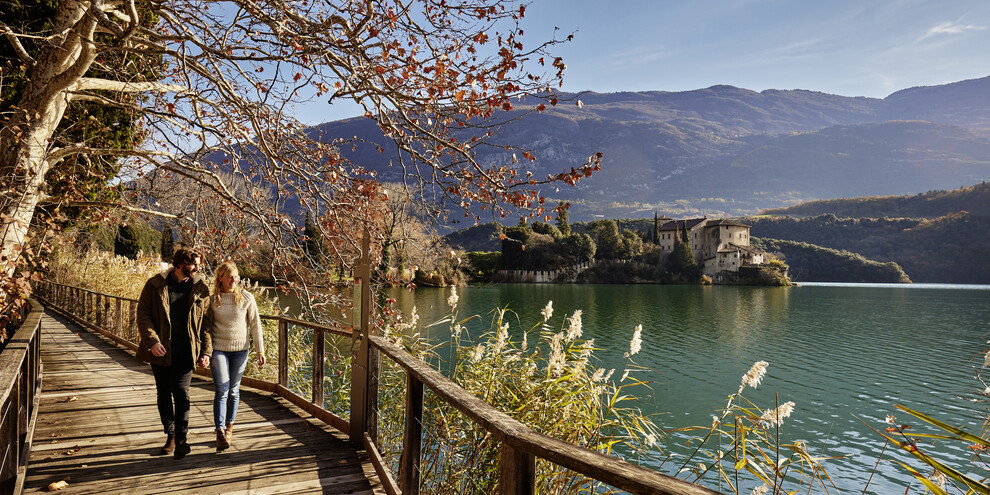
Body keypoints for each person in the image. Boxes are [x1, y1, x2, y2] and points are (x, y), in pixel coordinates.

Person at [136, 247, 211, 460]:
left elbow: (206, 325)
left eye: (198, 264)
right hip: (161, 351)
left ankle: (181, 439)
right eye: (194, 264)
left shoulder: (201, 289)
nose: (198, 268)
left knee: (182, 393)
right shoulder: (155, 284)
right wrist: (152, 342)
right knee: (163, 393)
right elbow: (143, 315)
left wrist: (206, 351)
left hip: (187, 351)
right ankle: (169, 433)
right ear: (180, 264)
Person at [204, 261, 266, 452]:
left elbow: (256, 325)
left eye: (235, 276)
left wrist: (260, 351)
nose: (233, 280)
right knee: (221, 389)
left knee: (233, 390)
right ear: (220, 278)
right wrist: (205, 352)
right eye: (229, 276)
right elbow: (205, 326)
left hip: (241, 350)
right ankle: (220, 431)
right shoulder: (213, 299)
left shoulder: (247, 298)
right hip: (219, 349)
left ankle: (229, 425)